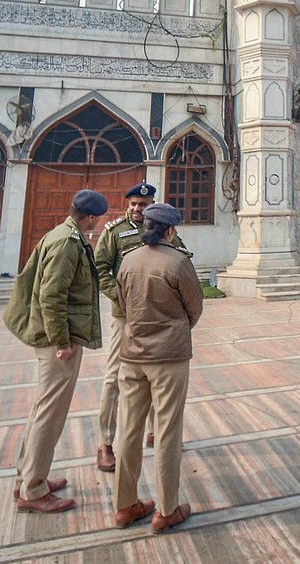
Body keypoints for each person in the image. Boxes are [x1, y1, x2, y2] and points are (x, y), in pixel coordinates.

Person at [3, 188, 108, 512]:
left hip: (54, 337)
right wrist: (61, 341)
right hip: (57, 342)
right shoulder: (66, 243)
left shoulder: (64, 235)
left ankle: (28, 478)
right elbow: (52, 296)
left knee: (42, 411)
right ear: (90, 217)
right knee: (50, 415)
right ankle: (33, 492)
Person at [112, 202, 204, 535]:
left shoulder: (128, 260)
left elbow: (123, 303)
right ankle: (166, 510)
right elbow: (195, 306)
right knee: (166, 431)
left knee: (129, 430)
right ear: (170, 231)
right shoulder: (178, 262)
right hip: (168, 358)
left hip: (132, 355)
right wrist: (174, 327)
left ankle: (124, 505)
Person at [94, 182, 188, 471]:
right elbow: (100, 269)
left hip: (156, 314)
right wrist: (122, 298)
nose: (137, 209)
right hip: (126, 316)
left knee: (157, 372)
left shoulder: (163, 229)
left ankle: (155, 431)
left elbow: (181, 258)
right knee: (114, 377)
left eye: (143, 205)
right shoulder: (114, 232)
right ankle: (105, 443)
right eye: (133, 204)